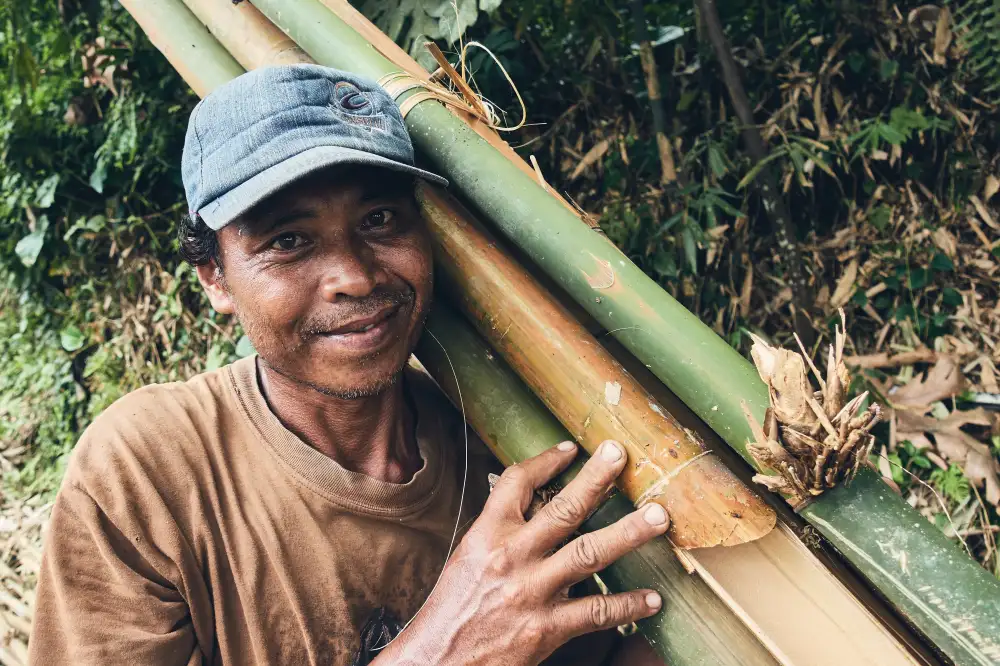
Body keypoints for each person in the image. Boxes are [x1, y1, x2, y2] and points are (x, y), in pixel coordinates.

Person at [28, 64, 669, 666]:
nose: (356, 278)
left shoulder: (502, 438)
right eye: (288, 240)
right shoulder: (146, 471)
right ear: (216, 279)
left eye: (380, 218)